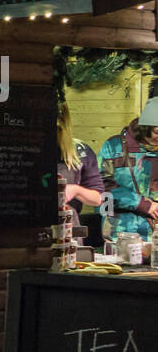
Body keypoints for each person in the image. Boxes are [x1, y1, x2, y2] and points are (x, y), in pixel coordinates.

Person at [98, 90, 158, 240]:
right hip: (119, 236)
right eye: (157, 131)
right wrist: (141, 204)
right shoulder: (114, 147)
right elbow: (101, 187)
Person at [56, 101, 104, 231]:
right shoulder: (27, 150)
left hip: (68, 228)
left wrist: (76, 190)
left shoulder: (81, 151)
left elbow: (97, 198)